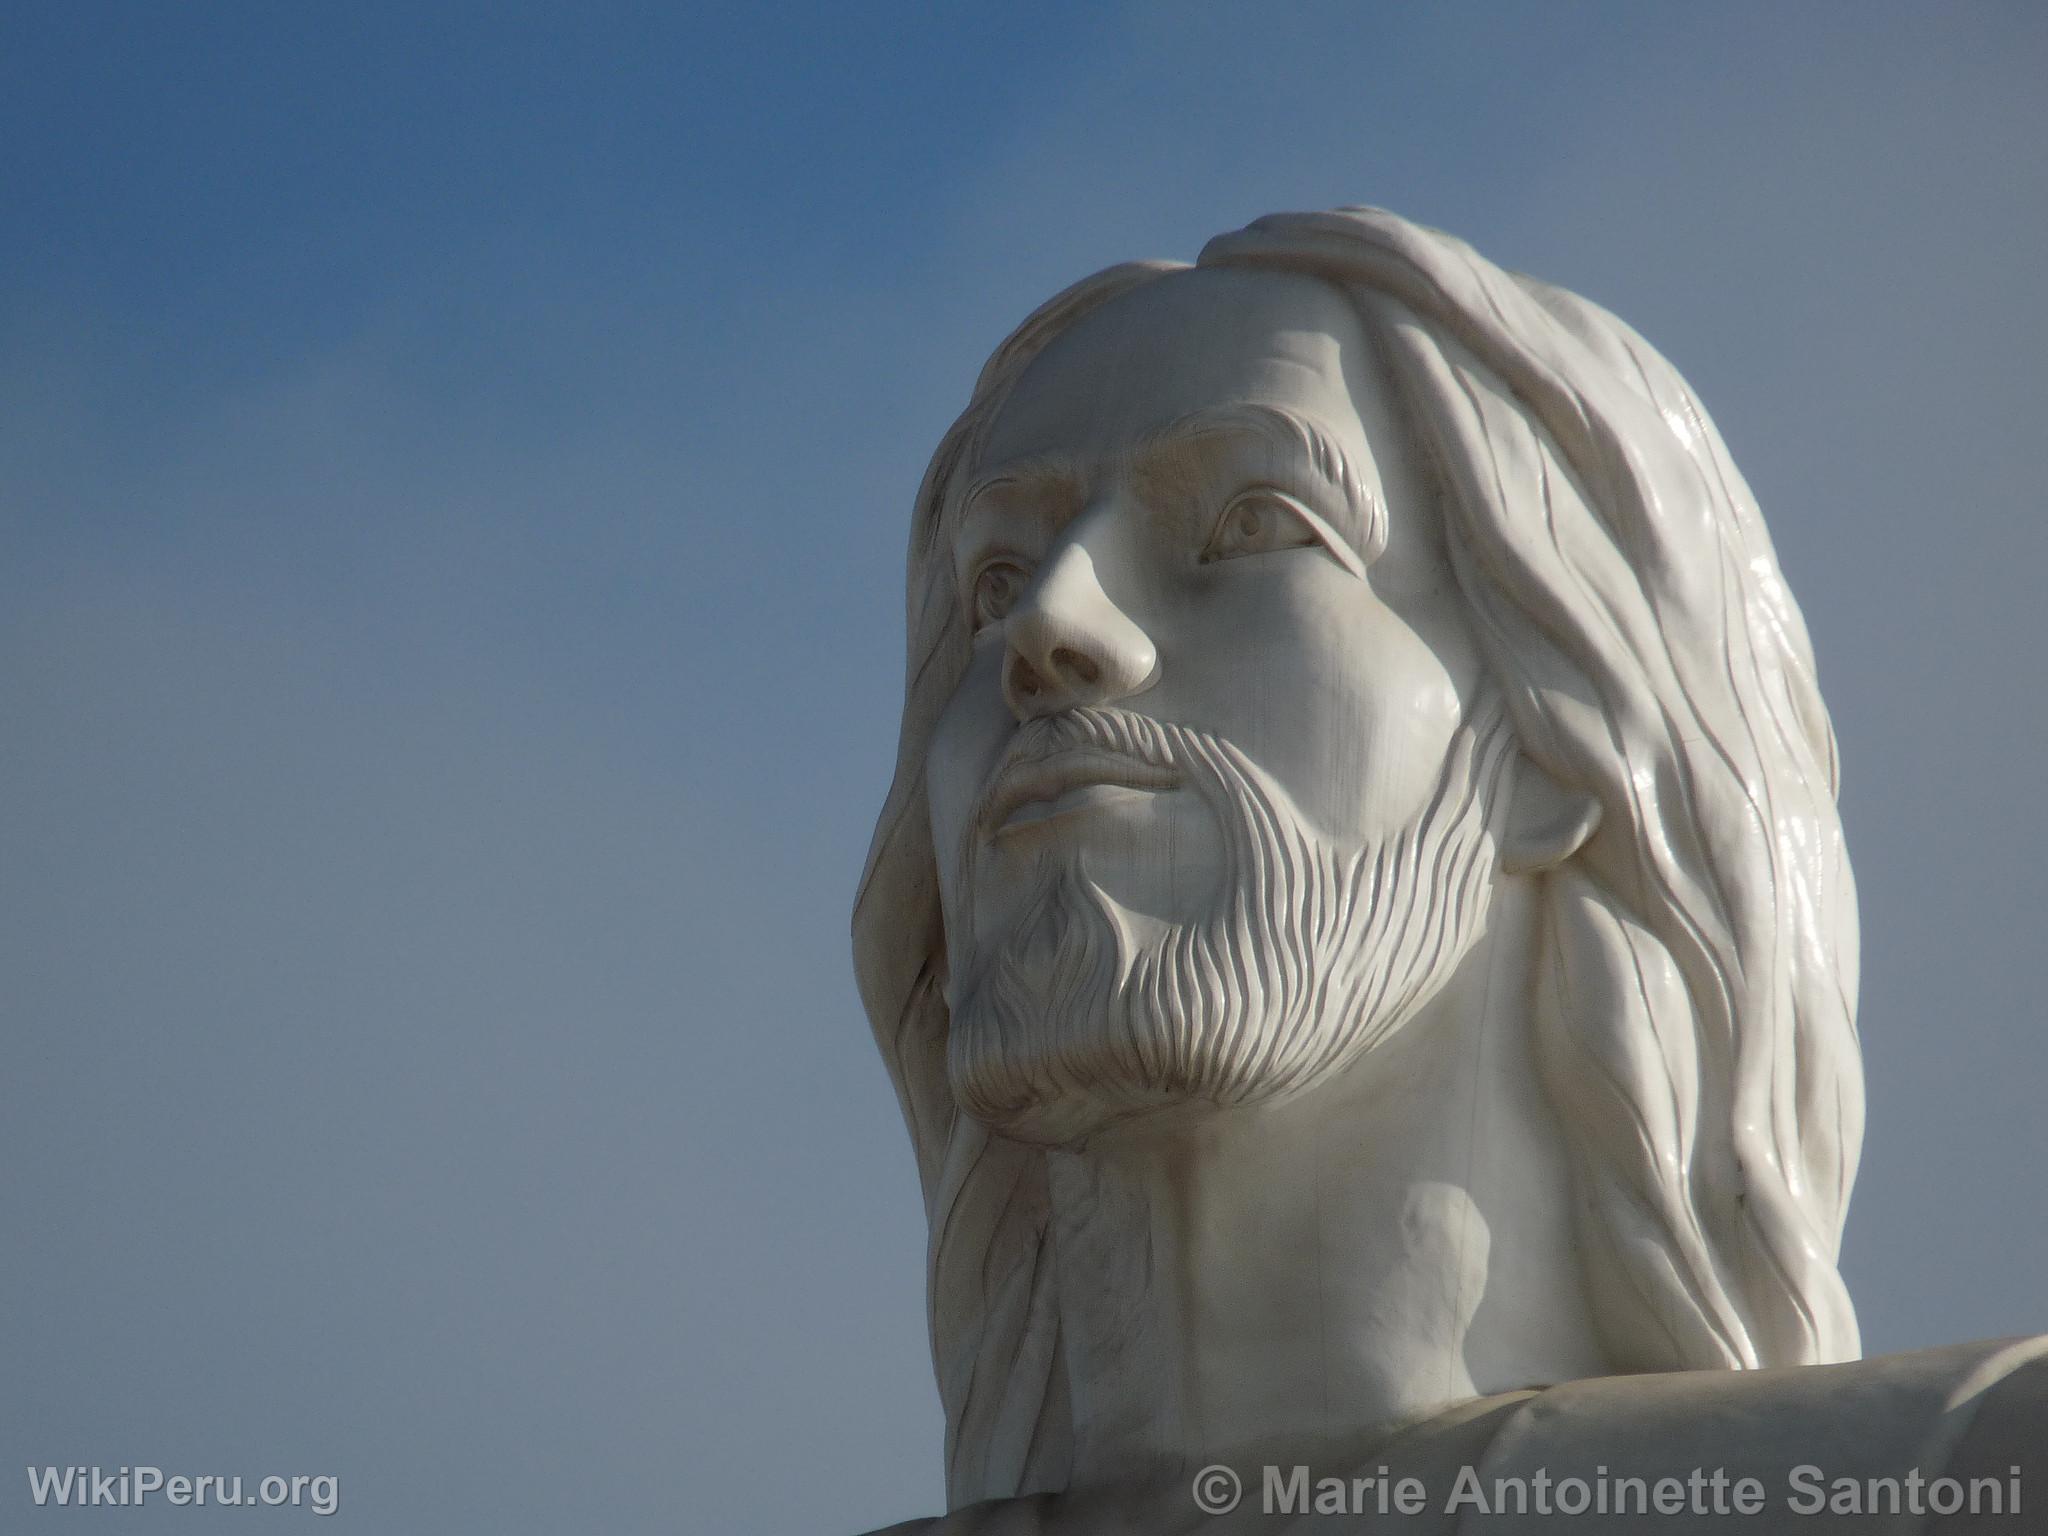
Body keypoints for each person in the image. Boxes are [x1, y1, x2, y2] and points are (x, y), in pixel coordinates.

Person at [851, 208, 2043, 1533]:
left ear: (1559, 738)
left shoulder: (1968, 1475)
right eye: (993, 581)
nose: (1049, 628)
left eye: (1256, 522)